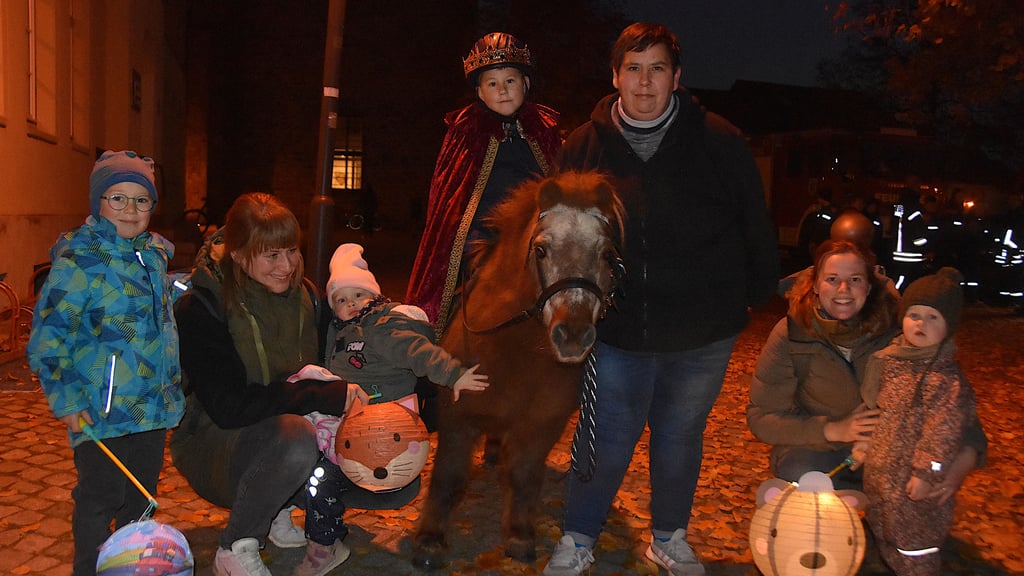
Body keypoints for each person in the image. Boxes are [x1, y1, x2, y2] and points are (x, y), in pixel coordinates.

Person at [544, 22, 780, 576]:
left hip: (701, 328)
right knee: (606, 436)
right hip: (619, 327)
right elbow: (558, 228)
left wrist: (757, 292)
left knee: (678, 438)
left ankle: (669, 537)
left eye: (656, 69)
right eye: (633, 68)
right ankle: (579, 537)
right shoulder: (583, 144)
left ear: (676, 78)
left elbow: (754, 221)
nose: (644, 82)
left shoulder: (719, 139)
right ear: (615, 76)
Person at [169, 193, 368, 576]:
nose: (286, 265)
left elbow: (343, 358)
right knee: (296, 437)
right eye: (271, 255)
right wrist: (319, 396)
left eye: (291, 251)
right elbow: (229, 409)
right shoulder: (204, 307)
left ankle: (274, 507)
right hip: (214, 442)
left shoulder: (308, 296)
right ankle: (235, 547)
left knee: (382, 465)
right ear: (239, 255)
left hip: (280, 431)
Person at [27, 150, 186, 576]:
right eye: (117, 198)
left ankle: (132, 567)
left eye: (141, 200)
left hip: (150, 407)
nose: (130, 210)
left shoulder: (152, 255)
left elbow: (154, 307)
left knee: (142, 497)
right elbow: (47, 341)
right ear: (98, 202)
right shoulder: (79, 262)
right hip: (100, 411)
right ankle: (89, 568)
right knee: (100, 497)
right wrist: (68, 401)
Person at [747, 239, 985, 495]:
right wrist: (834, 429)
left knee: (918, 483)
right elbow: (762, 417)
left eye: (855, 280)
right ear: (816, 284)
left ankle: (880, 514)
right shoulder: (792, 333)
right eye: (832, 279)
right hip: (823, 449)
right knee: (801, 469)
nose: (843, 289)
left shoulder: (900, 329)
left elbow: (952, 399)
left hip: (893, 452)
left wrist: (963, 459)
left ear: (869, 286)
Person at [299, 242, 489, 552]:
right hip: (350, 420)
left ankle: (324, 541)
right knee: (321, 472)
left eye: (358, 295)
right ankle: (324, 517)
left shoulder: (381, 328)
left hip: (381, 426)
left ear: (374, 295)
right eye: (341, 300)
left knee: (324, 479)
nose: (352, 304)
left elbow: (419, 353)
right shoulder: (343, 332)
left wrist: (454, 374)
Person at [405, 31, 561, 336]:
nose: (502, 90)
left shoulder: (544, 129)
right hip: (482, 234)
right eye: (492, 83)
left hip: (536, 233)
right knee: (479, 276)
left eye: (510, 81)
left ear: (526, 84)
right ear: (479, 92)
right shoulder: (465, 131)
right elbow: (449, 201)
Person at [859, 267, 979, 575]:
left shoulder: (944, 379)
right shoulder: (893, 362)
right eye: (914, 314)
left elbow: (944, 430)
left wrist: (928, 472)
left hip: (915, 481)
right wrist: (864, 444)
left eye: (933, 317)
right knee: (887, 532)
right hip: (883, 473)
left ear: (949, 326)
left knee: (915, 545)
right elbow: (882, 411)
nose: (921, 324)